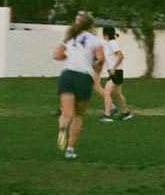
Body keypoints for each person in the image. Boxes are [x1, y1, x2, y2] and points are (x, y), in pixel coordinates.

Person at [54, 12, 104, 160]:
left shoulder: (69, 38)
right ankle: (70, 149)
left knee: (66, 113)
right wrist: (94, 65)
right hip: (83, 77)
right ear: (91, 25)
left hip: (67, 75)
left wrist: (70, 56)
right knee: (78, 114)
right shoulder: (95, 40)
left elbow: (57, 55)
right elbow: (100, 60)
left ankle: (62, 127)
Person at [97, 25, 133, 122]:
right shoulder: (111, 43)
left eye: (103, 34)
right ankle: (126, 113)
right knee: (118, 94)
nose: (102, 36)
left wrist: (113, 68)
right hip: (117, 71)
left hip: (116, 71)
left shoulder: (112, 43)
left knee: (107, 92)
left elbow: (121, 56)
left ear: (106, 35)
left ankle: (107, 115)